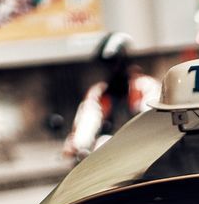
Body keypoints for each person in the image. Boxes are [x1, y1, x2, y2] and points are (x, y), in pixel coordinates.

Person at [63, 32, 159, 161]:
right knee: (102, 142)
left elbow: (151, 119)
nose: (112, 69)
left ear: (126, 62)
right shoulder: (99, 93)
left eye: (115, 63)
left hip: (143, 153)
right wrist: (77, 144)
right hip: (109, 158)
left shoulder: (147, 87)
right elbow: (89, 118)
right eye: (107, 65)